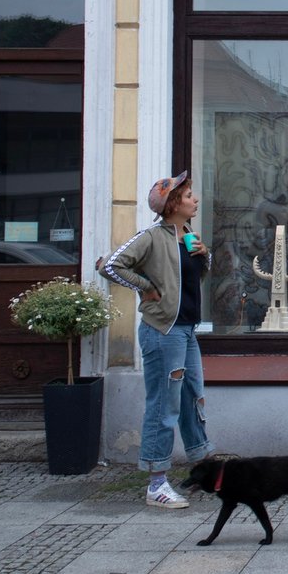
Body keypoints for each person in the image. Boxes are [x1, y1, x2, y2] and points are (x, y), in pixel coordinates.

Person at [99, 170, 214, 508]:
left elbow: (196, 279)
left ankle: (201, 470)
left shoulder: (187, 235)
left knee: (194, 399)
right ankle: (156, 483)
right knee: (164, 407)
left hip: (187, 330)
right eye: (189, 195)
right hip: (163, 333)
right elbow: (112, 265)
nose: (195, 200)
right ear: (173, 203)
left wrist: (204, 256)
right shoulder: (151, 236)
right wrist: (146, 288)